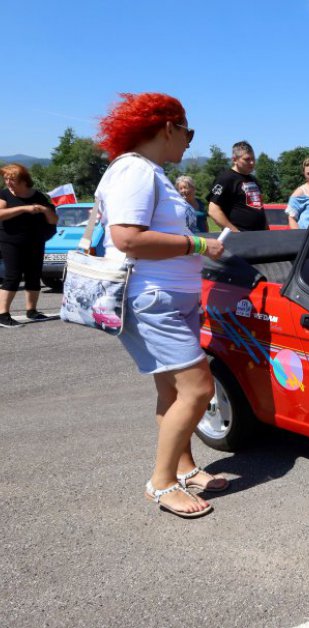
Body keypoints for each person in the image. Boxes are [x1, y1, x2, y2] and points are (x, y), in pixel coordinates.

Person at [96, 92, 227, 518]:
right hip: (154, 300)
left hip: (171, 297)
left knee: (172, 390)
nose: (190, 141)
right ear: (168, 127)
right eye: (188, 131)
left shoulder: (148, 171)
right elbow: (127, 239)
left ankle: (185, 468)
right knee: (199, 388)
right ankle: (162, 481)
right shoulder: (134, 170)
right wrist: (199, 243)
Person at [0, 163, 58, 327]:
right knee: (13, 275)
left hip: (35, 240)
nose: (8, 183)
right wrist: (24, 209)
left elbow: (54, 220)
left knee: (34, 275)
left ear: (24, 180)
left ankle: (32, 311)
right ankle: (2, 315)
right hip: (11, 241)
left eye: (12, 179)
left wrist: (45, 210)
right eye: (6, 179)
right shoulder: (4, 195)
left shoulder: (38, 196)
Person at [207, 141, 267, 231]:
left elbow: (259, 209)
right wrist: (235, 232)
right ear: (234, 159)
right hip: (239, 238)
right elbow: (213, 210)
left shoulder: (253, 180)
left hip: (259, 236)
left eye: (253, 159)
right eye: (247, 159)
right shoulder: (226, 178)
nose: (252, 162)